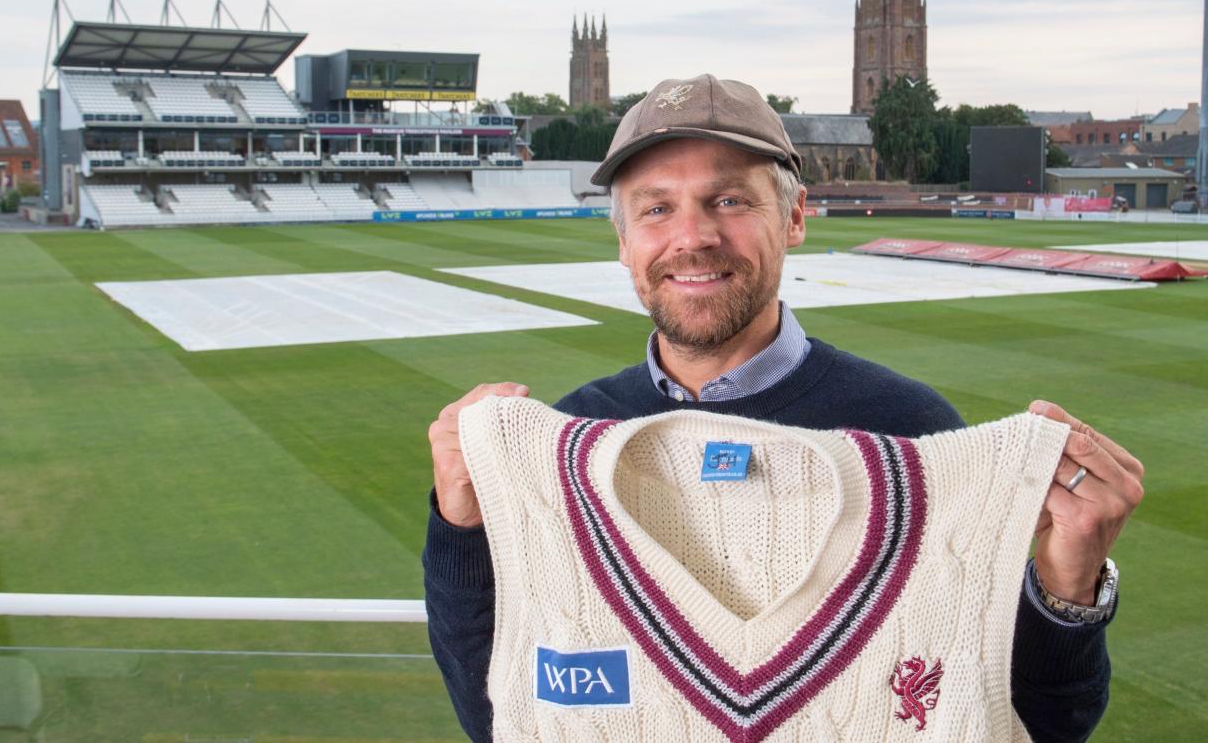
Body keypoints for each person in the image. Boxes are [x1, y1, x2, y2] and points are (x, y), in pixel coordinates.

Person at [424, 75, 1143, 743]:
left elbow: (1026, 722)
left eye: (729, 200)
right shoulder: (573, 435)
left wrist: (1066, 589)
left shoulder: (912, 430)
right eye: (655, 208)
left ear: (795, 217)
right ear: (622, 240)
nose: (693, 236)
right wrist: (457, 528)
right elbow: (501, 713)